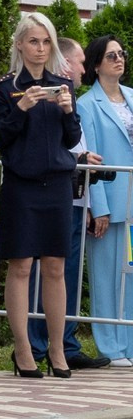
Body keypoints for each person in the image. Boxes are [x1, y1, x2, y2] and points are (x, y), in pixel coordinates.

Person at [0, 11, 83, 378]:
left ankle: (57, 349)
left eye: (46, 42)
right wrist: (21, 107)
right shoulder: (5, 87)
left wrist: (68, 111)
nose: (41, 48)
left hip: (57, 185)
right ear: (19, 45)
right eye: (33, 41)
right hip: (21, 186)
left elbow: (72, 139)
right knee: (21, 266)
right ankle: (23, 349)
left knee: (56, 267)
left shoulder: (63, 84)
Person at [30, 38, 105, 370]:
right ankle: (36, 345)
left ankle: (67, 343)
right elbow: (48, 146)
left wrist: (89, 204)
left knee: (68, 275)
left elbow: (75, 141)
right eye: (80, 62)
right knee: (41, 273)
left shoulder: (69, 99)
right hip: (51, 196)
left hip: (75, 199)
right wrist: (79, 158)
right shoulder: (45, 96)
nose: (84, 69)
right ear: (64, 64)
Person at [79, 33, 133, 365]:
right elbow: (91, 161)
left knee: (131, 275)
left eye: (121, 53)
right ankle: (111, 348)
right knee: (105, 278)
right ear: (96, 64)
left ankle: (130, 344)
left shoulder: (132, 97)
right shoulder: (87, 105)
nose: (119, 59)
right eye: (111, 55)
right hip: (110, 204)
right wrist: (98, 207)